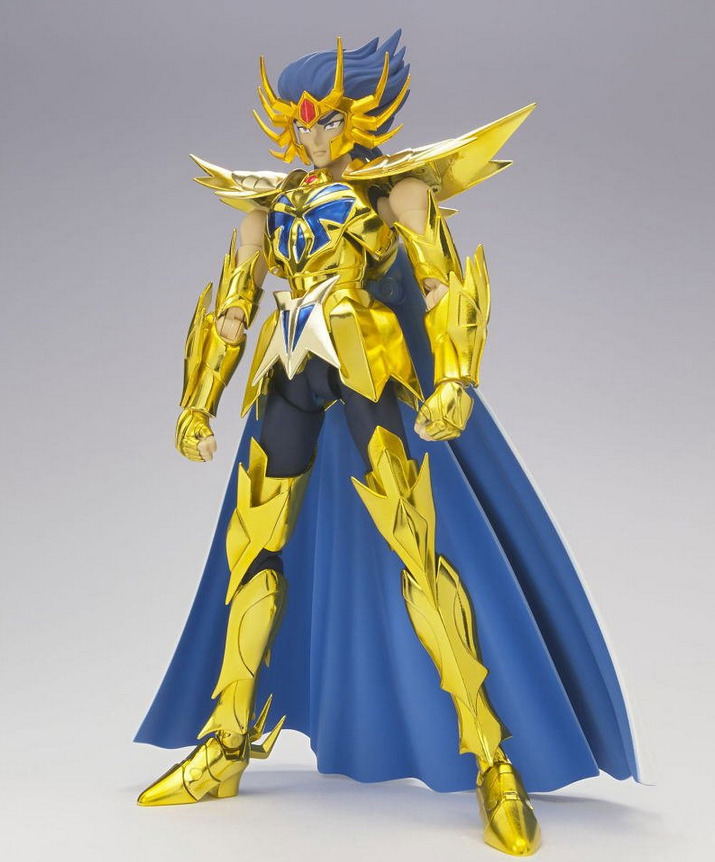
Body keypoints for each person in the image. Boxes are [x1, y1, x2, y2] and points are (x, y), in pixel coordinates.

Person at [135, 32, 641, 857]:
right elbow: (232, 309)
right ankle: (225, 744)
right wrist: (199, 400)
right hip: (287, 373)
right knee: (251, 551)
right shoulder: (266, 203)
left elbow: (440, 283)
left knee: (419, 552)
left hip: (369, 372)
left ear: (361, 116)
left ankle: (492, 760)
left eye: (328, 119)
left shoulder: (394, 191)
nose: (313, 134)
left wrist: (454, 378)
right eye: (301, 121)